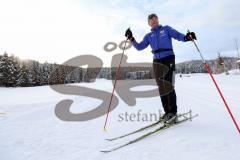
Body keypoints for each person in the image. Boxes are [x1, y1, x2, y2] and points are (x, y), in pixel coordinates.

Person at [125, 13, 196, 123]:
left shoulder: (166, 29)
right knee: (161, 88)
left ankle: (173, 113)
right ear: (149, 24)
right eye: (152, 21)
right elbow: (139, 47)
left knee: (168, 86)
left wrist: (187, 37)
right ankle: (167, 112)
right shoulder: (148, 36)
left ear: (158, 20)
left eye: (155, 20)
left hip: (168, 58)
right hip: (157, 61)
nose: (154, 22)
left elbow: (177, 35)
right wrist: (131, 38)